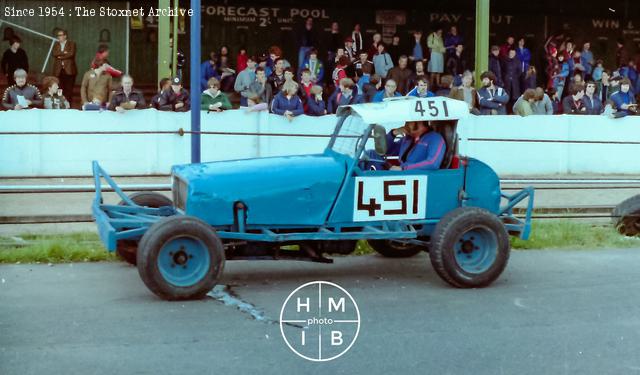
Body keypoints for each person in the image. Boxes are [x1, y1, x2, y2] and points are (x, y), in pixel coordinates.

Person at [363, 121, 446, 171]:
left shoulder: (435, 138)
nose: (406, 124)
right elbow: (388, 151)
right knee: (371, 154)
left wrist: (404, 168)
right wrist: (393, 134)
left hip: (415, 176)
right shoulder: (408, 139)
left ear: (419, 121)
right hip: (400, 173)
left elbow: (432, 163)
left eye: (409, 121)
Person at [52, 29, 77, 105]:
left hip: (69, 70)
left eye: (60, 35)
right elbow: (54, 53)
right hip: (59, 70)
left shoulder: (71, 44)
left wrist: (60, 56)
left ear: (65, 36)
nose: (59, 37)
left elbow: (71, 54)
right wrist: (64, 53)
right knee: (59, 88)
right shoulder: (56, 44)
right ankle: (61, 104)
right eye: (58, 35)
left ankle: (68, 105)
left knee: (69, 89)